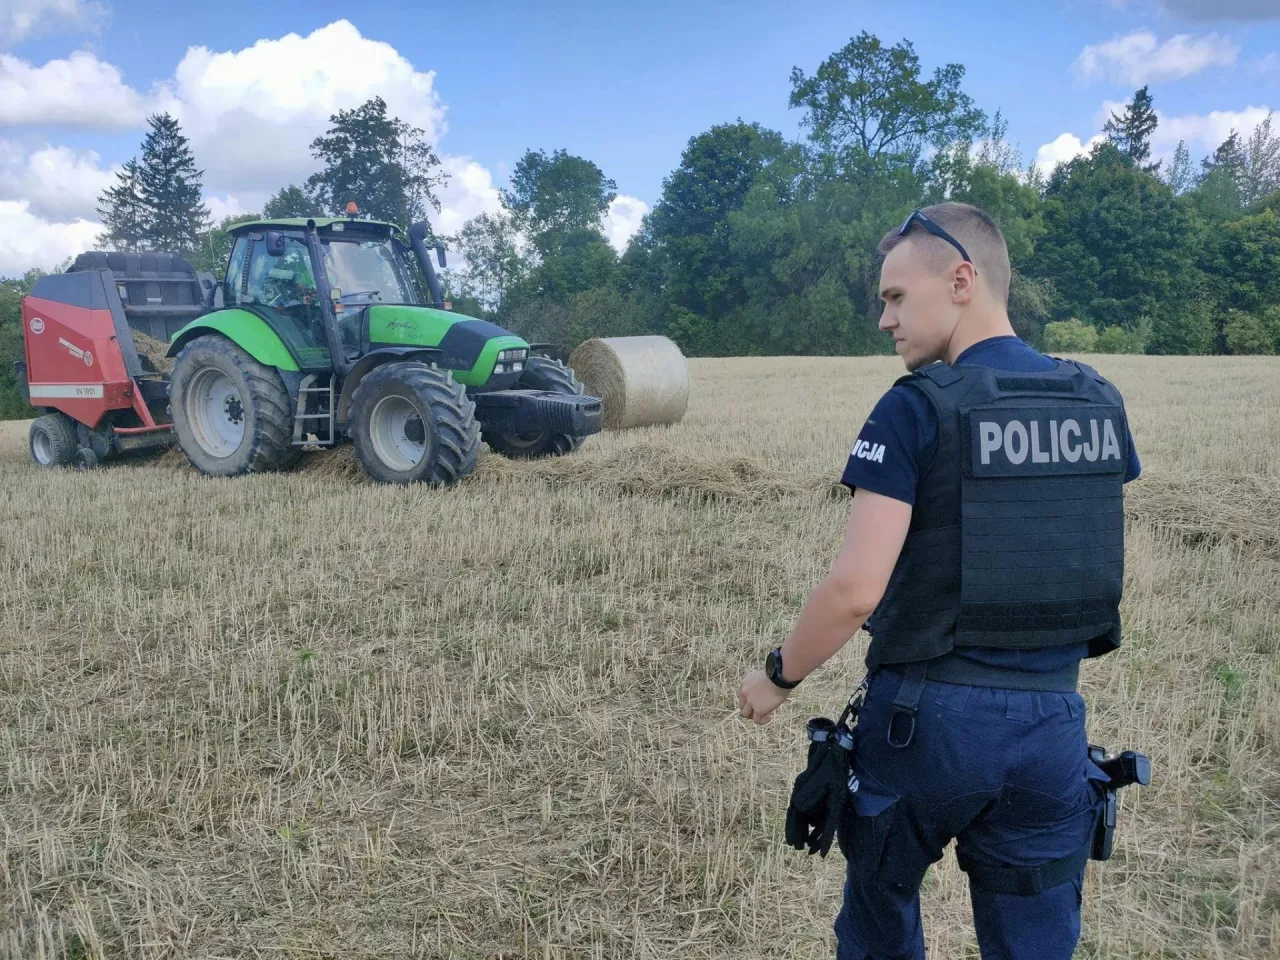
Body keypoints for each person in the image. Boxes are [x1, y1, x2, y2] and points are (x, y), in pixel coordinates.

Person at [736, 201, 1141, 960]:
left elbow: (855, 590)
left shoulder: (915, 407)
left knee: (878, 924)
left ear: (962, 279)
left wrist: (779, 677)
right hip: (1053, 723)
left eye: (894, 297)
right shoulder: (1097, 401)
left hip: (925, 724)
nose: (884, 319)